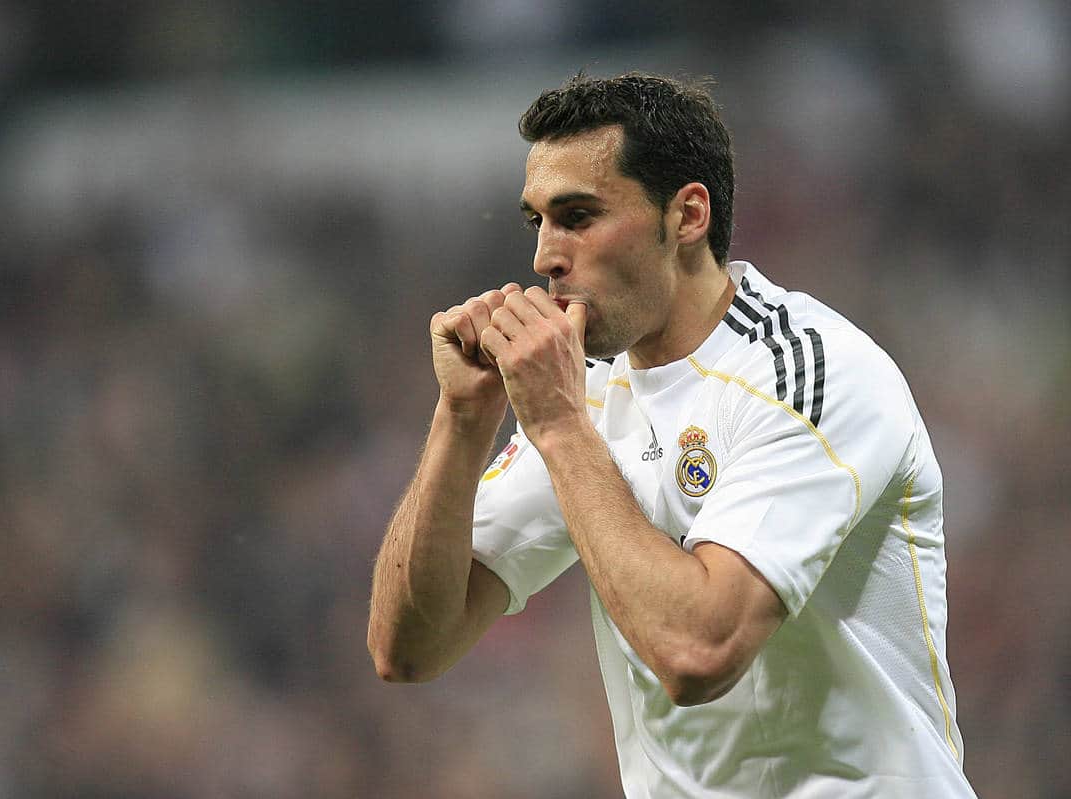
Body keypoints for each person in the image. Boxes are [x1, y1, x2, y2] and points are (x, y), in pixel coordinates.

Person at [367, 72, 977, 797]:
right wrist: (461, 421)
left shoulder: (812, 373)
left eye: (579, 215)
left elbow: (699, 651)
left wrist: (560, 425)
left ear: (686, 216)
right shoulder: (586, 386)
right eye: (538, 221)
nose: (544, 257)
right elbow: (408, 647)